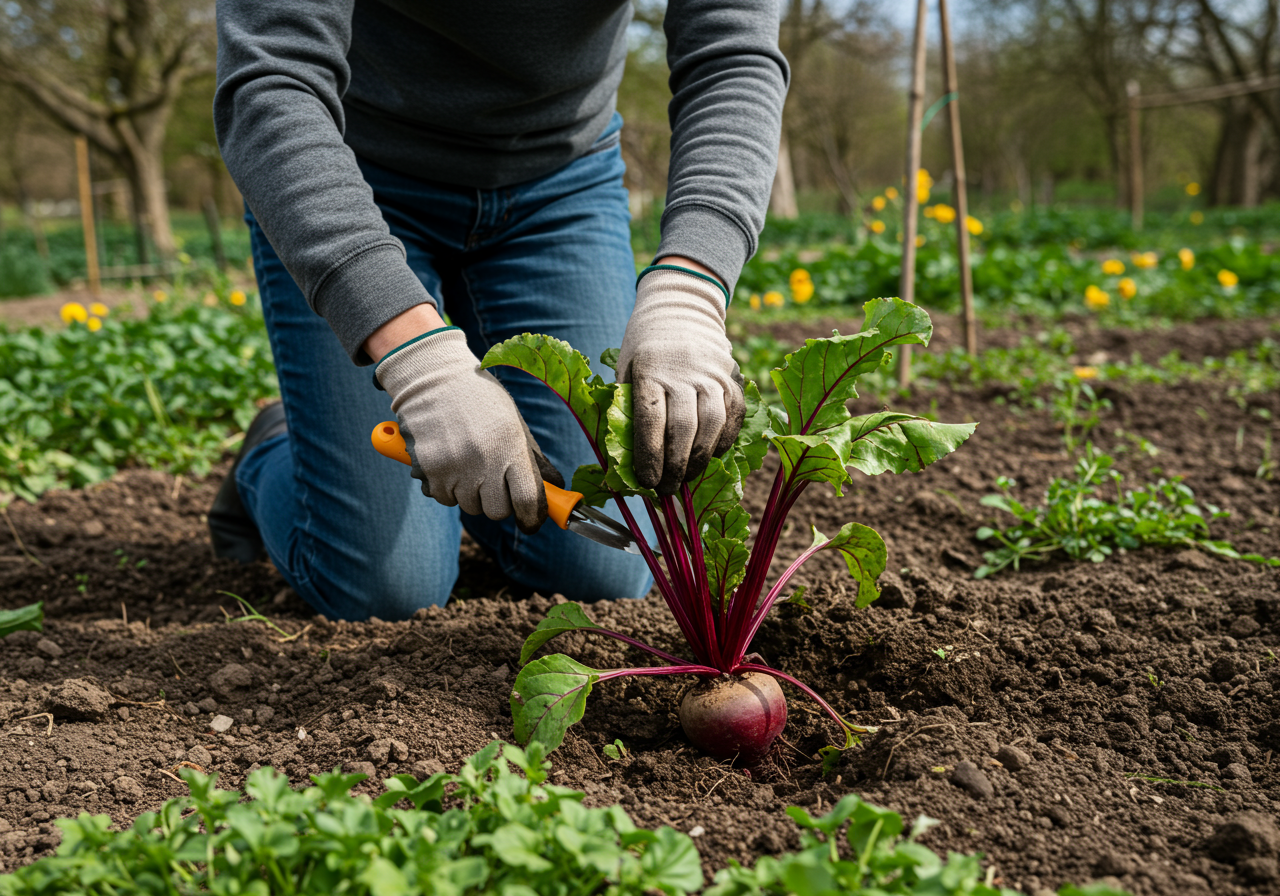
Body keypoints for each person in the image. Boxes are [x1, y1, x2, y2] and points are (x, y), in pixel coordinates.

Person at [209, 0, 789, 621]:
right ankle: (271, 451)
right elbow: (271, 80)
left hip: (559, 182)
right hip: (345, 176)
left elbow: (732, 56)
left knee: (606, 572)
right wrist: (421, 364)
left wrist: (689, 291)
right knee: (384, 591)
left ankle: (467, 457)